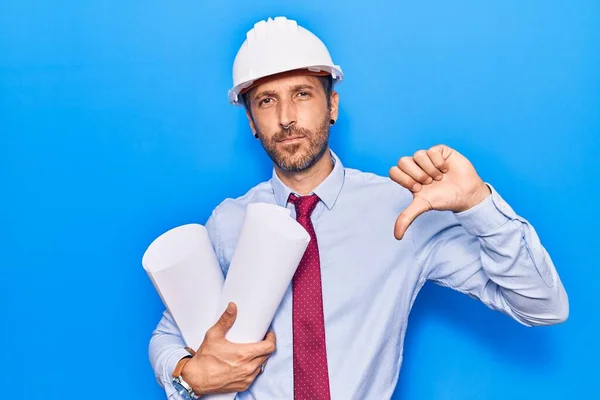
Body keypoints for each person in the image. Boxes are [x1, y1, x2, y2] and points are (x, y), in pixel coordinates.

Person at [148, 16, 569, 400]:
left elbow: (544, 306)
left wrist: (479, 206)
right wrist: (188, 375)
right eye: (266, 101)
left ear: (332, 106)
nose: (287, 118)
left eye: (302, 94)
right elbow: (170, 334)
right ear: (251, 123)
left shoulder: (402, 211)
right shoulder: (228, 222)